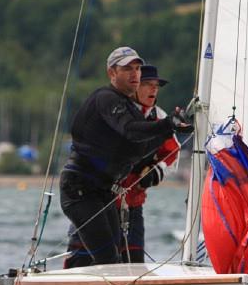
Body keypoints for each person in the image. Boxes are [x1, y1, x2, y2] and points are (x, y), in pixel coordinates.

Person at [60, 46, 193, 268]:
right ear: (112, 73)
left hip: (105, 194)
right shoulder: (106, 98)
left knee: (119, 263)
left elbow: (143, 147)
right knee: (107, 261)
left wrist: (174, 127)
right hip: (80, 191)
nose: (134, 74)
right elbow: (131, 131)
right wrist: (169, 124)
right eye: (127, 69)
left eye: (138, 68)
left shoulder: (138, 111)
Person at [119, 64, 181, 263]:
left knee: (135, 263)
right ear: (135, 86)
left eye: (157, 85)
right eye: (147, 84)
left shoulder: (160, 117)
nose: (154, 89)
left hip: (134, 204)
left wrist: (156, 172)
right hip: (101, 202)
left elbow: (173, 152)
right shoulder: (119, 111)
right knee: (89, 260)